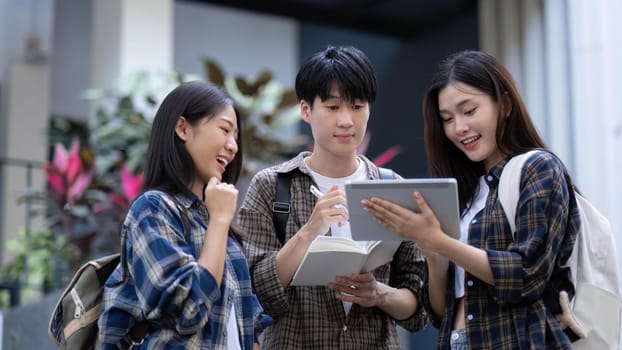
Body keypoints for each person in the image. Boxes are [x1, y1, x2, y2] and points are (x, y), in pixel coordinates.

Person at [362, 49, 581, 349]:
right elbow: (440, 312)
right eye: (447, 118)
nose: (458, 128)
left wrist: (439, 240)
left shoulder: (538, 168)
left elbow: (527, 274)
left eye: (469, 110)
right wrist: (434, 254)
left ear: (503, 104)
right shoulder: (465, 193)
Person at [236, 45, 428, 349]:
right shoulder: (272, 185)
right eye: (333, 107)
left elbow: (418, 308)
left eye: (357, 106)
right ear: (305, 110)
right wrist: (309, 232)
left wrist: (378, 293)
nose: (346, 120)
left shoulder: (392, 187)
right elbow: (251, 292)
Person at [97, 81, 269, 349]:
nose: (233, 146)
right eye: (224, 129)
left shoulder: (219, 227)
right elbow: (190, 309)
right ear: (183, 128)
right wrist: (220, 220)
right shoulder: (153, 210)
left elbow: (250, 324)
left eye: (236, 136)